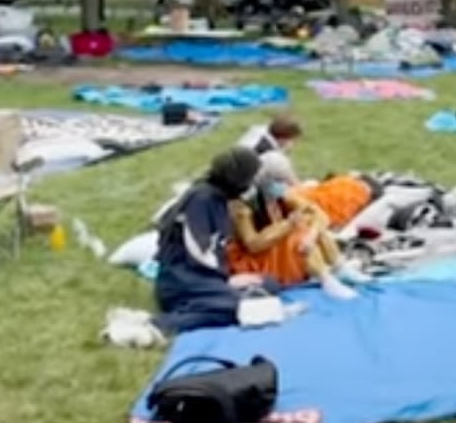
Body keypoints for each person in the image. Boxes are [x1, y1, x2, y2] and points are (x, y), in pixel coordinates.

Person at [137, 148, 276, 343]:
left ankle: (212, 300)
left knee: (269, 283)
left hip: (204, 278)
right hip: (182, 280)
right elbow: (198, 252)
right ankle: (160, 324)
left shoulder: (218, 199)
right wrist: (226, 280)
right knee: (237, 307)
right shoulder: (201, 200)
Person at [227, 122, 370, 300]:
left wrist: (311, 234)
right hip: (251, 259)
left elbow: (317, 212)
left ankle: (339, 267)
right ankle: (326, 278)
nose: (281, 186)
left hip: (277, 244)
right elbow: (253, 245)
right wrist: (289, 226)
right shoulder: (242, 205)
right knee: (297, 233)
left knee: (307, 225)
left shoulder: (276, 190)